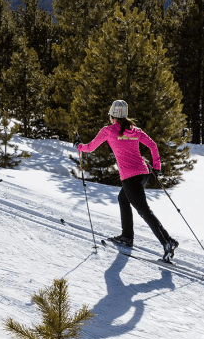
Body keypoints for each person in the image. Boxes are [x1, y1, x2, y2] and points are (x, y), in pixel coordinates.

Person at [76, 99, 179, 261]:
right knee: (123, 198)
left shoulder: (108, 131)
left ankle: (167, 241)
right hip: (143, 173)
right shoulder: (135, 130)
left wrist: (79, 146)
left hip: (130, 177)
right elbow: (153, 145)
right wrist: (157, 167)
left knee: (144, 210)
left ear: (112, 116)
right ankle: (127, 236)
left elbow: (90, 148)